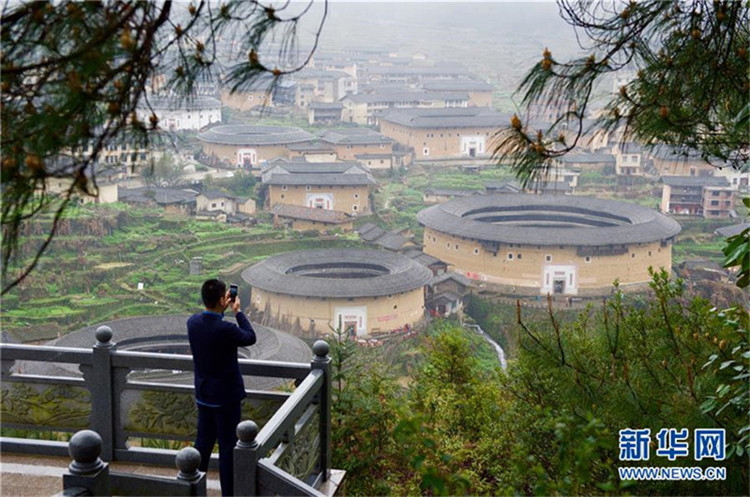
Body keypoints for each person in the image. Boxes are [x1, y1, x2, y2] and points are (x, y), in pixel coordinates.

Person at [187, 279, 257, 496]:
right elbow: (250, 337)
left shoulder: (192, 323)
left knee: (203, 444)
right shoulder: (226, 329)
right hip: (226, 398)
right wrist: (237, 312)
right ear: (222, 300)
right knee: (228, 449)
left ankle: (193, 489)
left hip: (204, 395)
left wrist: (220, 310)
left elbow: (211, 326)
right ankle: (228, 494)